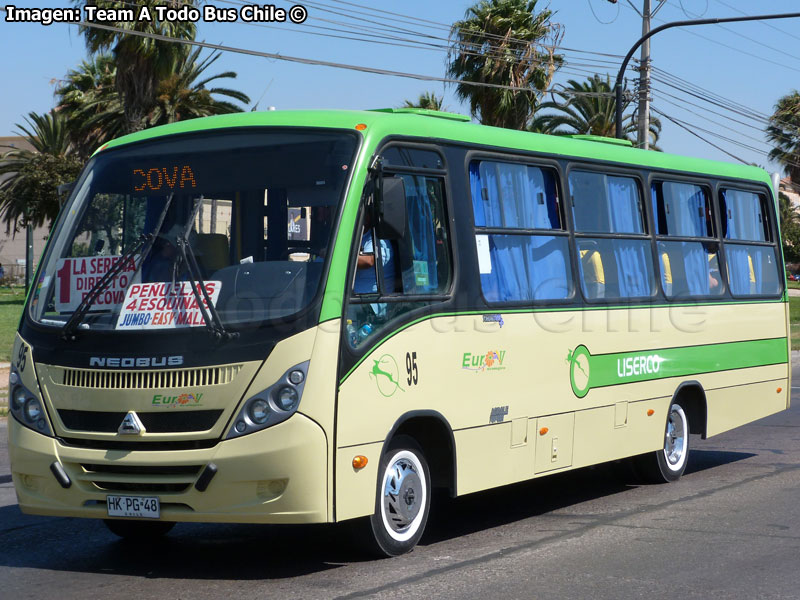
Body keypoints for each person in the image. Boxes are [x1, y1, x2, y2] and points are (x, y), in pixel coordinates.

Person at [353, 215, 396, 295]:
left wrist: (337, 258)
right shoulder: (356, 237)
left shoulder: (378, 239)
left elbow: (368, 261)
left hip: (372, 301)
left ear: (368, 218)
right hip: (353, 299)